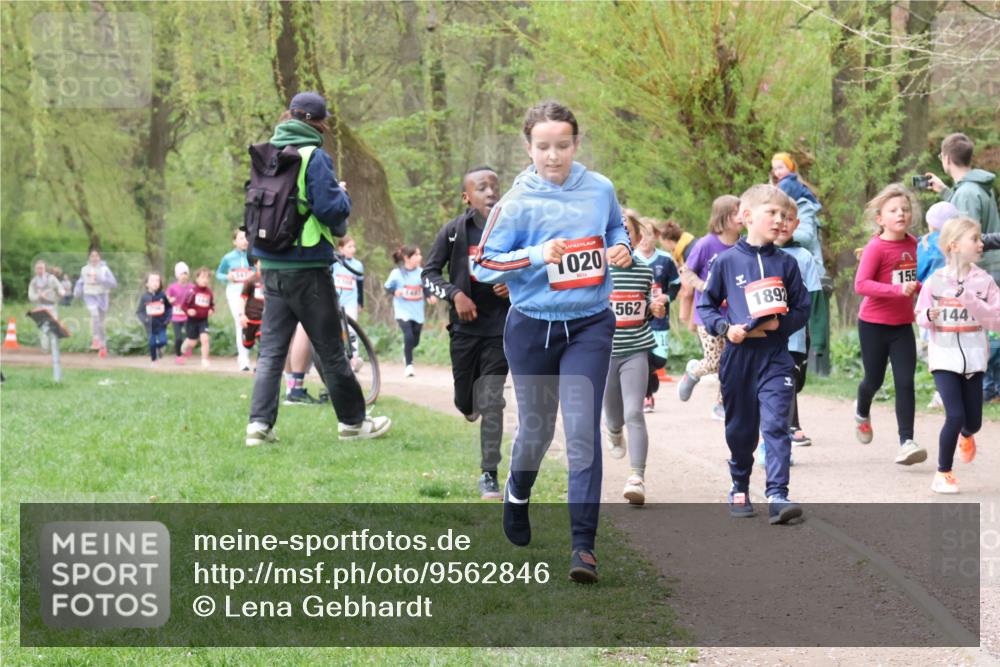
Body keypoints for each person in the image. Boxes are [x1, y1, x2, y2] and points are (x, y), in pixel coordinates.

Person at [472, 100, 632, 583]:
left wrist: (620, 245)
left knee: (583, 433)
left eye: (562, 145)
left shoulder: (599, 188)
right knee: (537, 432)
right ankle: (517, 495)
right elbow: (483, 266)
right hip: (532, 326)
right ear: (528, 148)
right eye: (543, 147)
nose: (553, 156)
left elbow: (614, 227)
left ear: (576, 144)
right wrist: (537, 255)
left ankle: (583, 547)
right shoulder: (515, 203)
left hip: (589, 324)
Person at [245, 92, 390, 446]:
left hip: (272, 266)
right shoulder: (314, 156)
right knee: (331, 349)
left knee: (271, 353)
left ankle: (258, 427)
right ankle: (354, 424)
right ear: (317, 122)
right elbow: (330, 211)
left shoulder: (269, 154)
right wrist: (342, 195)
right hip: (308, 266)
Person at [697, 184, 811, 525]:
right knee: (742, 429)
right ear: (746, 217)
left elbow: (803, 307)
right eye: (772, 213)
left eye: (785, 216)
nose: (780, 221)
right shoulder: (727, 261)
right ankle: (740, 485)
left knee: (777, 424)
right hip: (739, 356)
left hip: (775, 356)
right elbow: (707, 304)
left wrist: (781, 326)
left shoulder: (787, 263)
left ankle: (778, 494)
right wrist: (724, 328)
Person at [422, 166, 511, 500]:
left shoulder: (513, 230)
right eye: (482, 187)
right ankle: (466, 405)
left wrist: (513, 286)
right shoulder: (454, 231)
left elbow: (535, 270)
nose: (490, 192)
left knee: (492, 400)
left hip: (501, 329)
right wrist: (455, 294)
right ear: (467, 197)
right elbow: (428, 273)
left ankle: (489, 474)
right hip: (464, 331)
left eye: (495, 187)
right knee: (466, 401)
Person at [915, 217, 1000, 493]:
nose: (981, 243)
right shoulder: (935, 281)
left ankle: (967, 434)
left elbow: (996, 319)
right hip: (944, 359)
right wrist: (928, 315)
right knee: (954, 415)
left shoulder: (984, 281)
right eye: (974, 239)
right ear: (954, 246)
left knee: (972, 420)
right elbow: (920, 315)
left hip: (974, 360)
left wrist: (969, 299)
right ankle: (943, 472)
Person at [853, 183, 926, 465]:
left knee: (905, 382)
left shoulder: (916, 245)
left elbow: (920, 280)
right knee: (874, 379)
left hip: (902, 326)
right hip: (872, 324)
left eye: (905, 209)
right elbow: (861, 284)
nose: (901, 214)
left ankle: (906, 441)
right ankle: (861, 410)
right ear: (880, 218)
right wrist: (898, 291)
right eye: (894, 210)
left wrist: (919, 289)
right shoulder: (876, 247)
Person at [926, 133, 1000, 403]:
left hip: (985, 269)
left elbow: (969, 235)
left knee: (985, 326)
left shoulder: (967, 193)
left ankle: (989, 388)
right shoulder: (975, 186)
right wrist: (945, 192)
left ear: (946, 158)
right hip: (992, 265)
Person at [603, 213, 667, 505]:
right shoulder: (598, 272)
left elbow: (649, 304)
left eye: (627, 233)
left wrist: (656, 309)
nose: (621, 240)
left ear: (637, 238)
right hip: (604, 354)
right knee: (615, 416)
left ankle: (637, 477)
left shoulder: (644, 271)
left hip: (636, 349)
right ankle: (614, 431)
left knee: (634, 412)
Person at [676, 195, 742, 420]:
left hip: (735, 314)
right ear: (723, 217)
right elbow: (686, 271)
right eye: (736, 212)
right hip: (708, 314)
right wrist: (706, 287)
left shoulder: (744, 245)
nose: (742, 216)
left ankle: (722, 405)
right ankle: (693, 372)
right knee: (714, 361)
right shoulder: (706, 244)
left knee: (730, 362)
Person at [774, 192, 822, 447]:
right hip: (768, 332)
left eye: (788, 218)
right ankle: (792, 426)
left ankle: (783, 419)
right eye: (777, 217)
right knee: (786, 377)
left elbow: (815, 298)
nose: (782, 223)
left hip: (797, 332)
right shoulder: (758, 253)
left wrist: (819, 335)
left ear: (797, 224)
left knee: (796, 380)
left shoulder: (803, 257)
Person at [634, 215, 680, 412]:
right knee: (640, 358)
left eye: (649, 234)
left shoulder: (666, 259)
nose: (645, 239)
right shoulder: (629, 258)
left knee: (658, 360)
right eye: (641, 235)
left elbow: (676, 285)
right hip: (637, 320)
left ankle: (650, 380)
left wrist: (666, 298)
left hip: (660, 320)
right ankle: (646, 396)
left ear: (656, 236)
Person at [384, 245, 437, 377]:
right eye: (417, 255)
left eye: (420, 254)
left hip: (417, 311)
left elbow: (425, 288)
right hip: (402, 310)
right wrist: (394, 291)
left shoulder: (421, 272)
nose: (420, 257)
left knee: (415, 340)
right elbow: (387, 287)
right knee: (408, 335)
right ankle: (409, 365)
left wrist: (430, 296)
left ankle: (406, 351)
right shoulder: (396, 273)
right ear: (407, 258)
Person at [216, 228, 253, 371]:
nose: (245, 241)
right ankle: (244, 360)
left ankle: (246, 355)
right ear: (234, 241)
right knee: (240, 323)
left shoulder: (253, 255)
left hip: (251, 294)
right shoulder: (228, 258)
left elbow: (259, 271)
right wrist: (227, 277)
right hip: (235, 293)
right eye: (241, 238)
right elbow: (219, 273)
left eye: (246, 238)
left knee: (252, 324)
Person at [73, 249, 117, 357]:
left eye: (96, 256)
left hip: (102, 296)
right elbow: (80, 281)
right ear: (89, 258)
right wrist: (77, 291)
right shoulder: (84, 269)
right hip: (89, 295)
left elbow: (113, 283)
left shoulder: (104, 269)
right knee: (94, 315)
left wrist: (101, 279)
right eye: (92, 256)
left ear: (100, 257)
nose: (94, 258)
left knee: (101, 323)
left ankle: (103, 346)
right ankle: (95, 338)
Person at [655, 219, 697, 330]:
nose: (663, 246)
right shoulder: (685, 247)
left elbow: (689, 289)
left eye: (661, 242)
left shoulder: (688, 251)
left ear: (667, 240)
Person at [28, 260, 66, 382]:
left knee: (53, 327)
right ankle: (45, 348)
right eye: (38, 268)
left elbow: (60, 289)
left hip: (51, 307)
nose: (40, 270)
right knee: (43, 328)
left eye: (41, 268)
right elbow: (31, 295)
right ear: (35, 270)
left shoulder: (51, 279)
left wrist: (61, 294)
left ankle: (54, 347)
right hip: (40, 307)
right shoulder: (34, 282)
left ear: (45, 269)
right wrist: (38, 296)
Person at [180, 267, 215, 368]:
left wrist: (211, 310)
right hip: (192, 321)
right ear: (197, 279)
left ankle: (204, 360)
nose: (205, 280)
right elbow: (183, 306)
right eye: (202, 277)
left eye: (207, 278)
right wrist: (188, 311)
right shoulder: (192, 291)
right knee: (193, 342)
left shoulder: (209, 292)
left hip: (203, 320)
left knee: (205, 339)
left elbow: (212, 305)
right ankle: (186, 344)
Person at [136, 272, 172, 364]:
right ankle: (154, 360)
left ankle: (159, 348)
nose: (155, 283)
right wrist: (145, 319)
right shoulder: (144, 297)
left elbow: (169, 308)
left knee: (163, 341)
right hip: (150, 325)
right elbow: (140, 312)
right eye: (152, 281)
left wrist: (168, 319)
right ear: (147, 284)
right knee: (152, 343)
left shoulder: (162, 296)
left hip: (161, 324)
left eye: (157, 280)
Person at [332, 236, 364, 322]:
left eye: (354, 246)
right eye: (349, 247)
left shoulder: (358, 265)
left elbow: (360, 284)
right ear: (341, 249)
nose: (353, 249)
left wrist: (360, 303)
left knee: (351, 329)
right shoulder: (333, 264)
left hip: (351, 302)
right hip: (335, 302)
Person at [167, 262, 193, 360]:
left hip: (187, 315)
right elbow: (167, 299)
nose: (184, 276)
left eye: (186, 273)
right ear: (177, 275)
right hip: (176, 316)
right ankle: (178, 355)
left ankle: (187, 348)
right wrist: (170, 300)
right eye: (182, 274)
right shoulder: (172, 287)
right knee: (178, 337)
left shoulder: (191, 287)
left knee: (190, 335)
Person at [239, 261, 265, 354]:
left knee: (264, 341)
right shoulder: (251, 280)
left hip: (265, 318)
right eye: (260, 261)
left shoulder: (272, 279)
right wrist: (242, 315)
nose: (263, 263)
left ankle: (261, 366)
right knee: (247, 345)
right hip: (251, 318)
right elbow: (243, 298)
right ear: (255, 264)